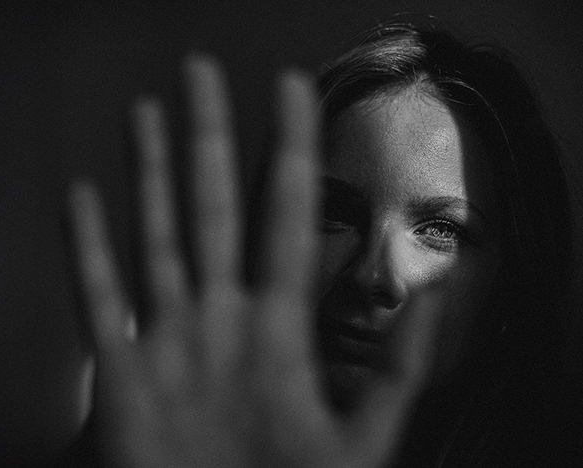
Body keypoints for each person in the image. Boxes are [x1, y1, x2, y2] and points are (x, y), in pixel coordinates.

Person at [67, 23, 577, 468]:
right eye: (335, 213)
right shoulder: (162, 429)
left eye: (440, 230)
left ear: (516, 278)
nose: (372, 274)